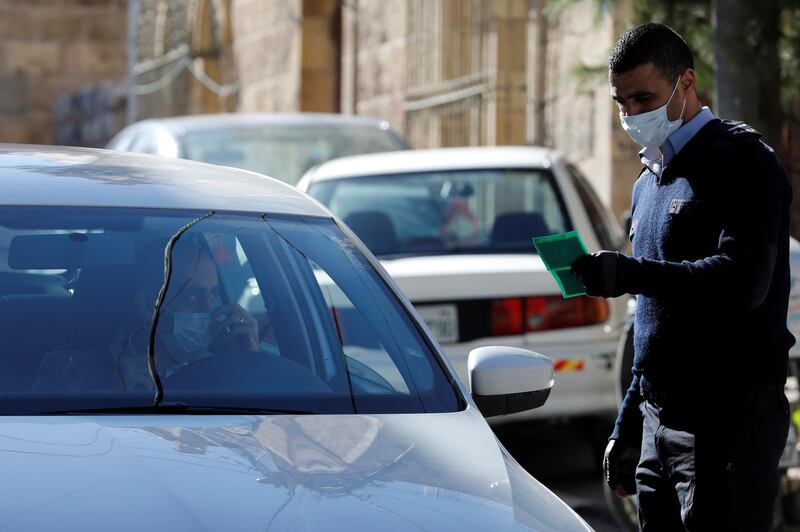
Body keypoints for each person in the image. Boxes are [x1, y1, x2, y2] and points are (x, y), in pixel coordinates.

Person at [570, 23, 794, 530]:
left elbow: (743, 281)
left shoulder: (743, 160)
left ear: (685, 82)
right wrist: (627, 427)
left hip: (728, 424)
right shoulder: (649, 182)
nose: (632, 114)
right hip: (658, 421)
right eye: (621, 102)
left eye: (644, 98)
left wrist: (632, 272)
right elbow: (653, 322)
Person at [34, 237, 261, 392]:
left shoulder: (226, 371)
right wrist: (112, 394)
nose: (209, 311)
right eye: (191, 297)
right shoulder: (70, 371)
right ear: (147, 306)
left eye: (213, 296)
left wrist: (251, 364)